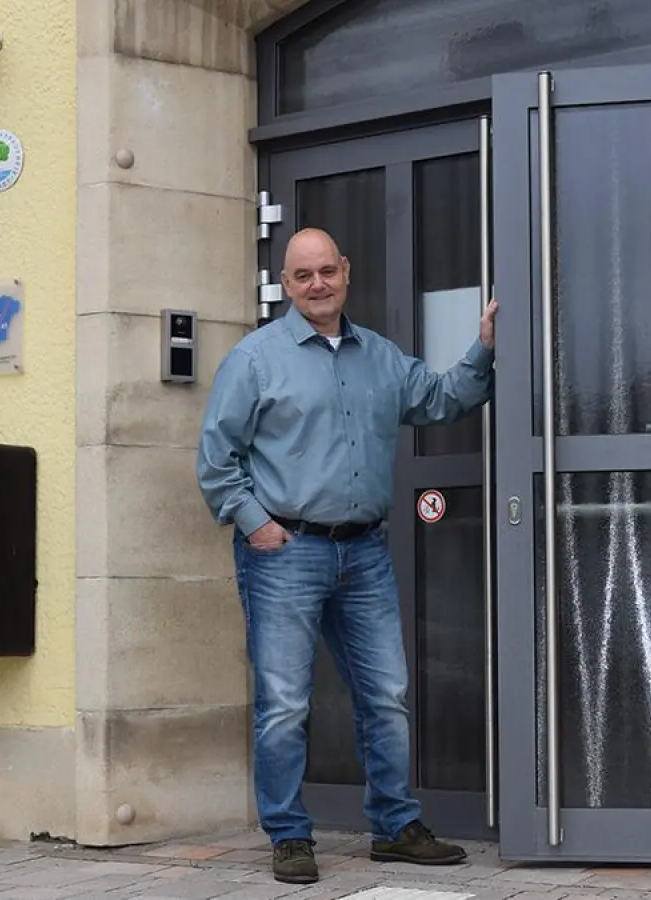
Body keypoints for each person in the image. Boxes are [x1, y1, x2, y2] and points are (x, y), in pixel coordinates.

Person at [196, 227, 498, 884]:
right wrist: (255, 524)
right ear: (286, 283)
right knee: (284, 703)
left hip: (363, 554)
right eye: (302, 275)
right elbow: (216, 460)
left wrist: (486, 348)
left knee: (386, 695)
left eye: (326, 271)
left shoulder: (381, 358)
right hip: (286, 553)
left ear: (346, 271)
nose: (316, 285)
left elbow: (445, 397)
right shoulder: (254, 360)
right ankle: (288, 834)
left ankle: (394, 825)